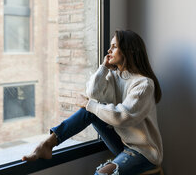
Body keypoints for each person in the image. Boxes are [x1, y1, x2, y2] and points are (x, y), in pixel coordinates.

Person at [22, 30, 163, 175]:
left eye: (114, 46)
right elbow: (93, 93)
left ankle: (47, 145)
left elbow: (122, 117)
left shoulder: (144, 84)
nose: (109, 50)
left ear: (129, 50)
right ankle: (47, 145)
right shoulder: (114, 76)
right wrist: (103, 68)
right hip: (122, 143)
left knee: (101, 173)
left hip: (144, 152)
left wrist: (89, 104)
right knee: (89, 111)